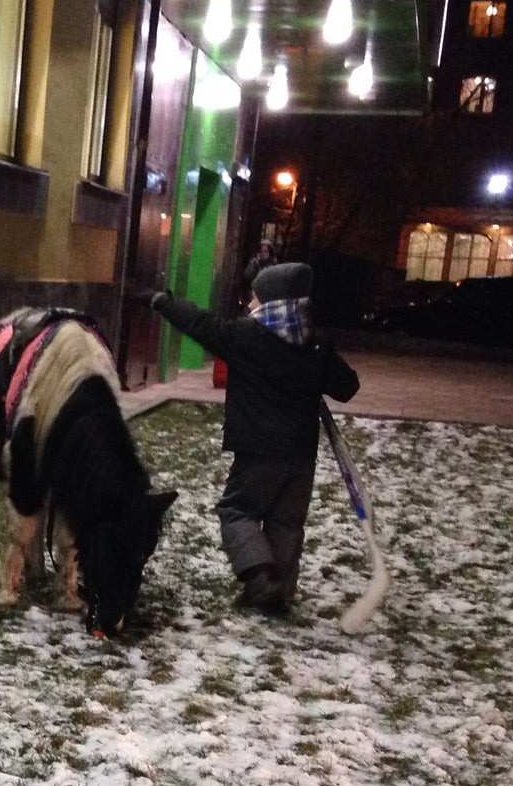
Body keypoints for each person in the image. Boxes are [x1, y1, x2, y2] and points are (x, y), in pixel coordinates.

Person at [151, 263, 360, 614]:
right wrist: (317, 364)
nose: (249, 305)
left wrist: (163, 302)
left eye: (254, 298)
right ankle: (279, 596)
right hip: (301, 454)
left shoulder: (245, 337)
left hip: (258, 451)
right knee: (287, 522)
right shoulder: (316, 343)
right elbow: (347, 387)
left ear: (271, 302)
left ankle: (262, 578)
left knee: (237, 510)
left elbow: (200, 323)